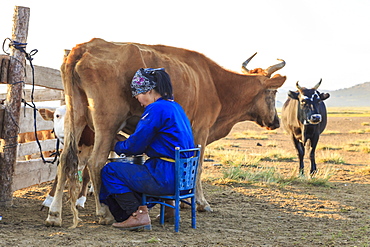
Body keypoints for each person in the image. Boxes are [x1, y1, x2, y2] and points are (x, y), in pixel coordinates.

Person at [99, 67, 195, 231]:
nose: (137, 98)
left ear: (150, 91)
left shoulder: (156, 109)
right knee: (142, 169)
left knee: (110, 171)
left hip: (165, 176)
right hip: (184, 178)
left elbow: (135, 146)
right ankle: (170, 208)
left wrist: (116, 144)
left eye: (138, 93)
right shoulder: (175, 107)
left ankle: (137, 214)